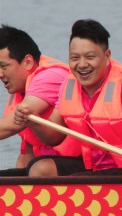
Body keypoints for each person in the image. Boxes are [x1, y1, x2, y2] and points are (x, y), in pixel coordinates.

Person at [13, 19, 122, 176]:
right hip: (96, 168)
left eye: (90, 57)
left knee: (80, 181)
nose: (82, 64)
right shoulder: (69, 86)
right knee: (41, 168)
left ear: (107, 57)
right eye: (75, 58)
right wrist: (32, 121)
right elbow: (53, 137)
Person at [0, 25, 81, 176]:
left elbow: (11, 125)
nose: (0, 74)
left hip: (86, 164)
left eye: (4, 66)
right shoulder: (19, 89)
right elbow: (27, 153)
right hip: (51, 164)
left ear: (28, 62)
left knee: (40, 169)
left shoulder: (51, 76)